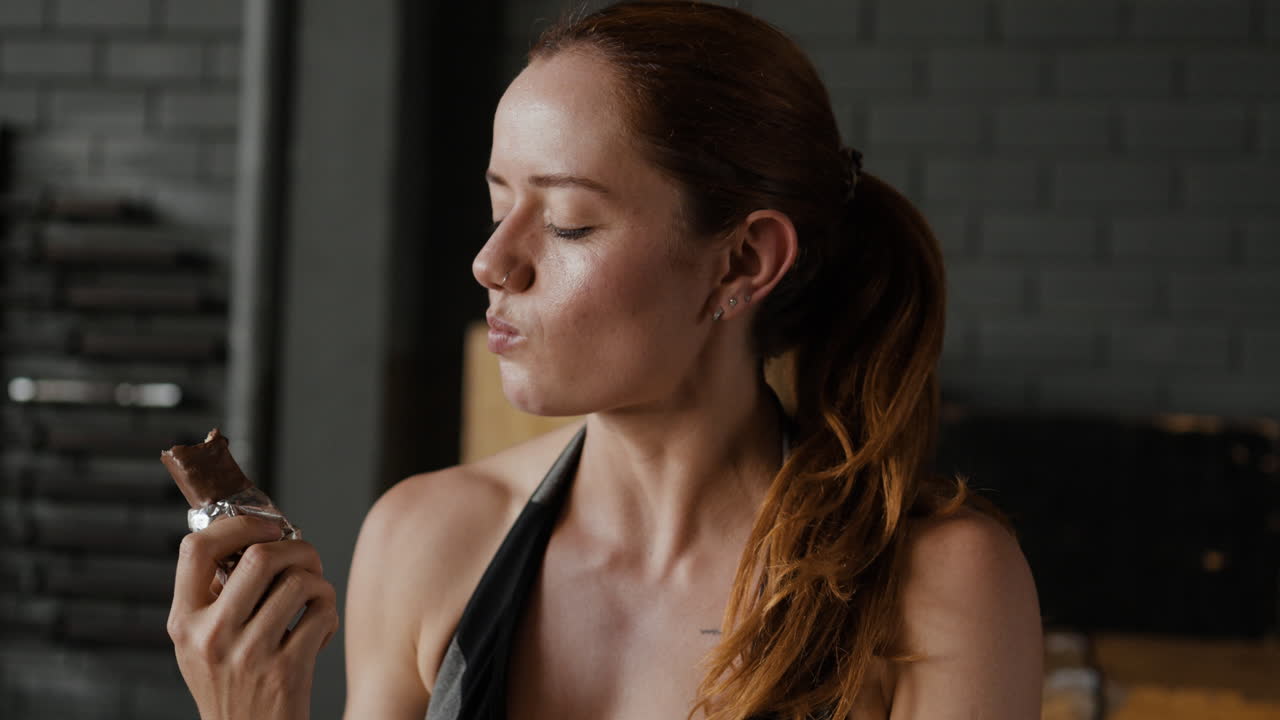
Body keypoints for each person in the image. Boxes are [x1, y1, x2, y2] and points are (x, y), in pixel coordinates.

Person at [167, 2, 1044, 719]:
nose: (491, 262)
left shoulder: (936, 582)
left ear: (742, 262)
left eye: (568, 223)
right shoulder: (429, 539)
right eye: (499, 204)